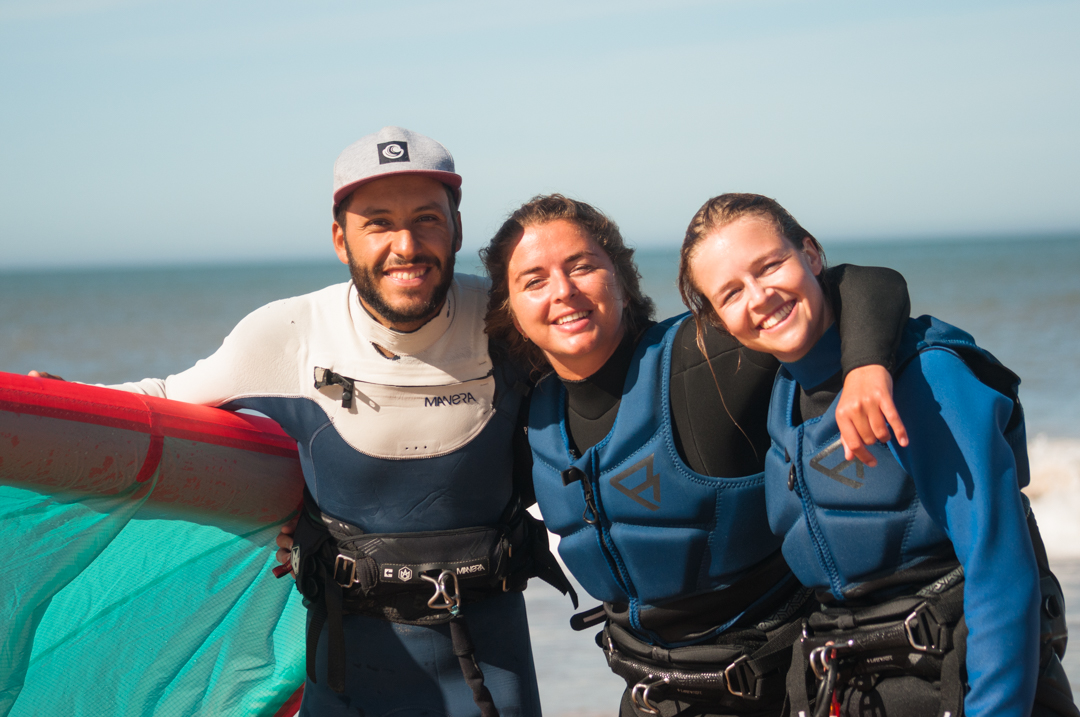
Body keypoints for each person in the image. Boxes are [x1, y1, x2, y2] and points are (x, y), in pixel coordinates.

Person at [34, 127, 574, 717]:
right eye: (378, 223)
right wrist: (47, 405)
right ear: (341, 240)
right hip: (350, 674)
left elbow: (608, 391)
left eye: (427, 219)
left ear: (458, 229)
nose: (406, 244)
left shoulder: (510, 321)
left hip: (490, 671)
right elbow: (163, 400)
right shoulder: (290, 334)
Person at [479, 194, 913, 717]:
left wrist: (867, 365)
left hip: (776, 689)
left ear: (621, 275)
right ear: (510, 307)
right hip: (646, 695)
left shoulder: (701, 357)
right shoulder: (532, 411)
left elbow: (856, 284)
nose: (564, 292)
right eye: (534, 280)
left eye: (583, 267)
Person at [678, 193, 1078, 717]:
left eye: (770, 265)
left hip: (963, 687)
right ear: (719, 319)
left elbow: (999, 565)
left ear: (811, 255)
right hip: (853, 690)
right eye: (731, 292)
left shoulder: (927, 377)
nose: (759, 296)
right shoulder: (778, 398)